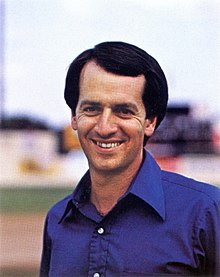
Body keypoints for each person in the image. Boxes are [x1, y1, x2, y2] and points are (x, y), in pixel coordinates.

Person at [40, 41, 220, 277]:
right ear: (74, 116)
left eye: (124, 111)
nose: (105, 128)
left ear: (150, 122)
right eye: (91, 109)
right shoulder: (58, 220)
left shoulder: (205, 212)